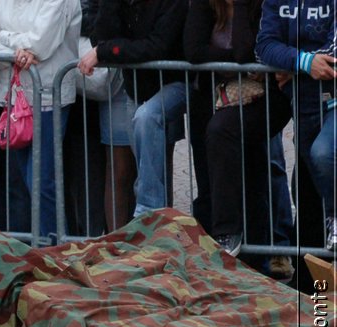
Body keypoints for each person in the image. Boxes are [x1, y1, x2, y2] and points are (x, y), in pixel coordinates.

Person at [185, 0, 289, 262]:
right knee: (213, 172)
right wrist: (237, 64)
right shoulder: (206, 5)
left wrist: (241, 5)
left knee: (257, 167)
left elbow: (245, 49)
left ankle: (246, 243)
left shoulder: (258, 5)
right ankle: (223, 244)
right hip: (213, 99)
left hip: (265, 98)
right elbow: (193, 50)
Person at [0, 0, 82, 245]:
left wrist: (5, 39)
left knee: (40, 181)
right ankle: (27, 251)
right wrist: (17, 50)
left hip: (48, 94)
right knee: (17, 182)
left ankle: (54, 250)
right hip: (13, 97)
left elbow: (40, 44)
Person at [78, 0, 188, 218]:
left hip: (174, 82)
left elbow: (157, 46)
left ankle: (148, 214)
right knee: (147, 167)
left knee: (147, 120)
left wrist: (106, 50)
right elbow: (101, 36)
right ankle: (156, 227)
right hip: (136, 88)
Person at [256, 0, 336, 251]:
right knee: (308, 195)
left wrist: (296, 64)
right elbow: (264, 46)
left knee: (323, 155)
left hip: (331, 100)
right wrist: (302, 62)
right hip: (303, 104)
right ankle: (317, 289)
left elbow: (333, 53)